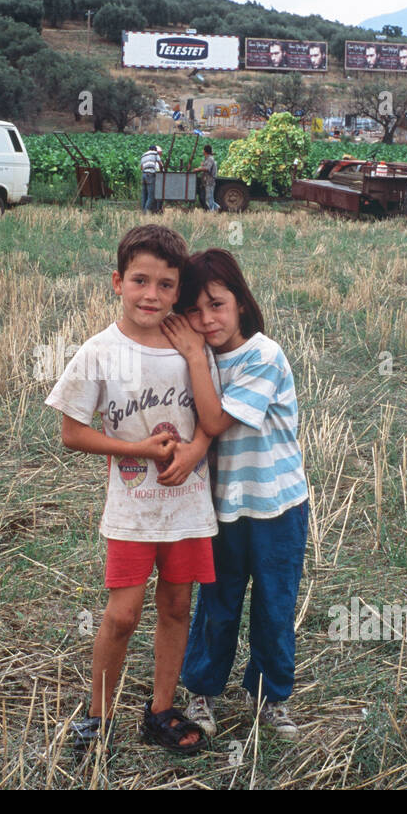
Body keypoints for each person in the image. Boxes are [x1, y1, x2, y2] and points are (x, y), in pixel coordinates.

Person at [46, 225, 218, 757]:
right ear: (117, 282)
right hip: (133, 509)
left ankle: (160, 710)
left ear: (178, 289)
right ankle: (95, 720)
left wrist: (191, 454)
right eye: (140, 281)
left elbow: (213, 419)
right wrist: (142, 450)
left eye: (167, 285)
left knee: (176, 607)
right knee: (122, 614)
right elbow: (72, 433)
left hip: (188, 506)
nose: (152, 295)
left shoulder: (189, 347)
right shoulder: (100, 350)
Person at [160, 248, 311, 740]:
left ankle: (270, 698)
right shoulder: (196, 359)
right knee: (217, 602)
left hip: (277, 508)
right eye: (195, 311)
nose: (207, 320)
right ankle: (201, 690)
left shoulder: (263, 355)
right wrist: (194, 358)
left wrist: (193, 356)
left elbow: (215, 421)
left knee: (274, 604)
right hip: (220, 509)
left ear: (241, 303)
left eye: (217, 305)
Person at [140, 145, 162, 213]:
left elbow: (141, 167)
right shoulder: (155, 153)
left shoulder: (143, 155)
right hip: (150, 175)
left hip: (143, 175)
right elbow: (160, 163)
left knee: (144, 195)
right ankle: (145, 212)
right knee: (151, 196)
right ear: (155, 150)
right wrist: (162, 170)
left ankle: (143, 210)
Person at [200, 145, 220, 212]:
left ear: (205, 151)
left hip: (210, 181)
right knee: (209, 197)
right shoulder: (207, 158)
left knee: (209, 197)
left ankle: (212, 211)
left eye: (203, 150)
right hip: (207, 181)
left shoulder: (210, 159)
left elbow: (207, 169)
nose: (202, 151)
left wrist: (198, 169)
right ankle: (217, 208)